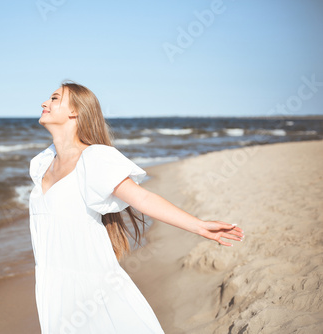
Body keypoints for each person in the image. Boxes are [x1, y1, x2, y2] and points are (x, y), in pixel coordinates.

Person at [28, 81, 244, 333]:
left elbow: (142, 199)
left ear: (75, 111)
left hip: (92, 287)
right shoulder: (42, 162)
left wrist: (199, 226)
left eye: (54, 99)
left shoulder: (94, 158)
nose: (45, 102)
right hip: (53, 283)